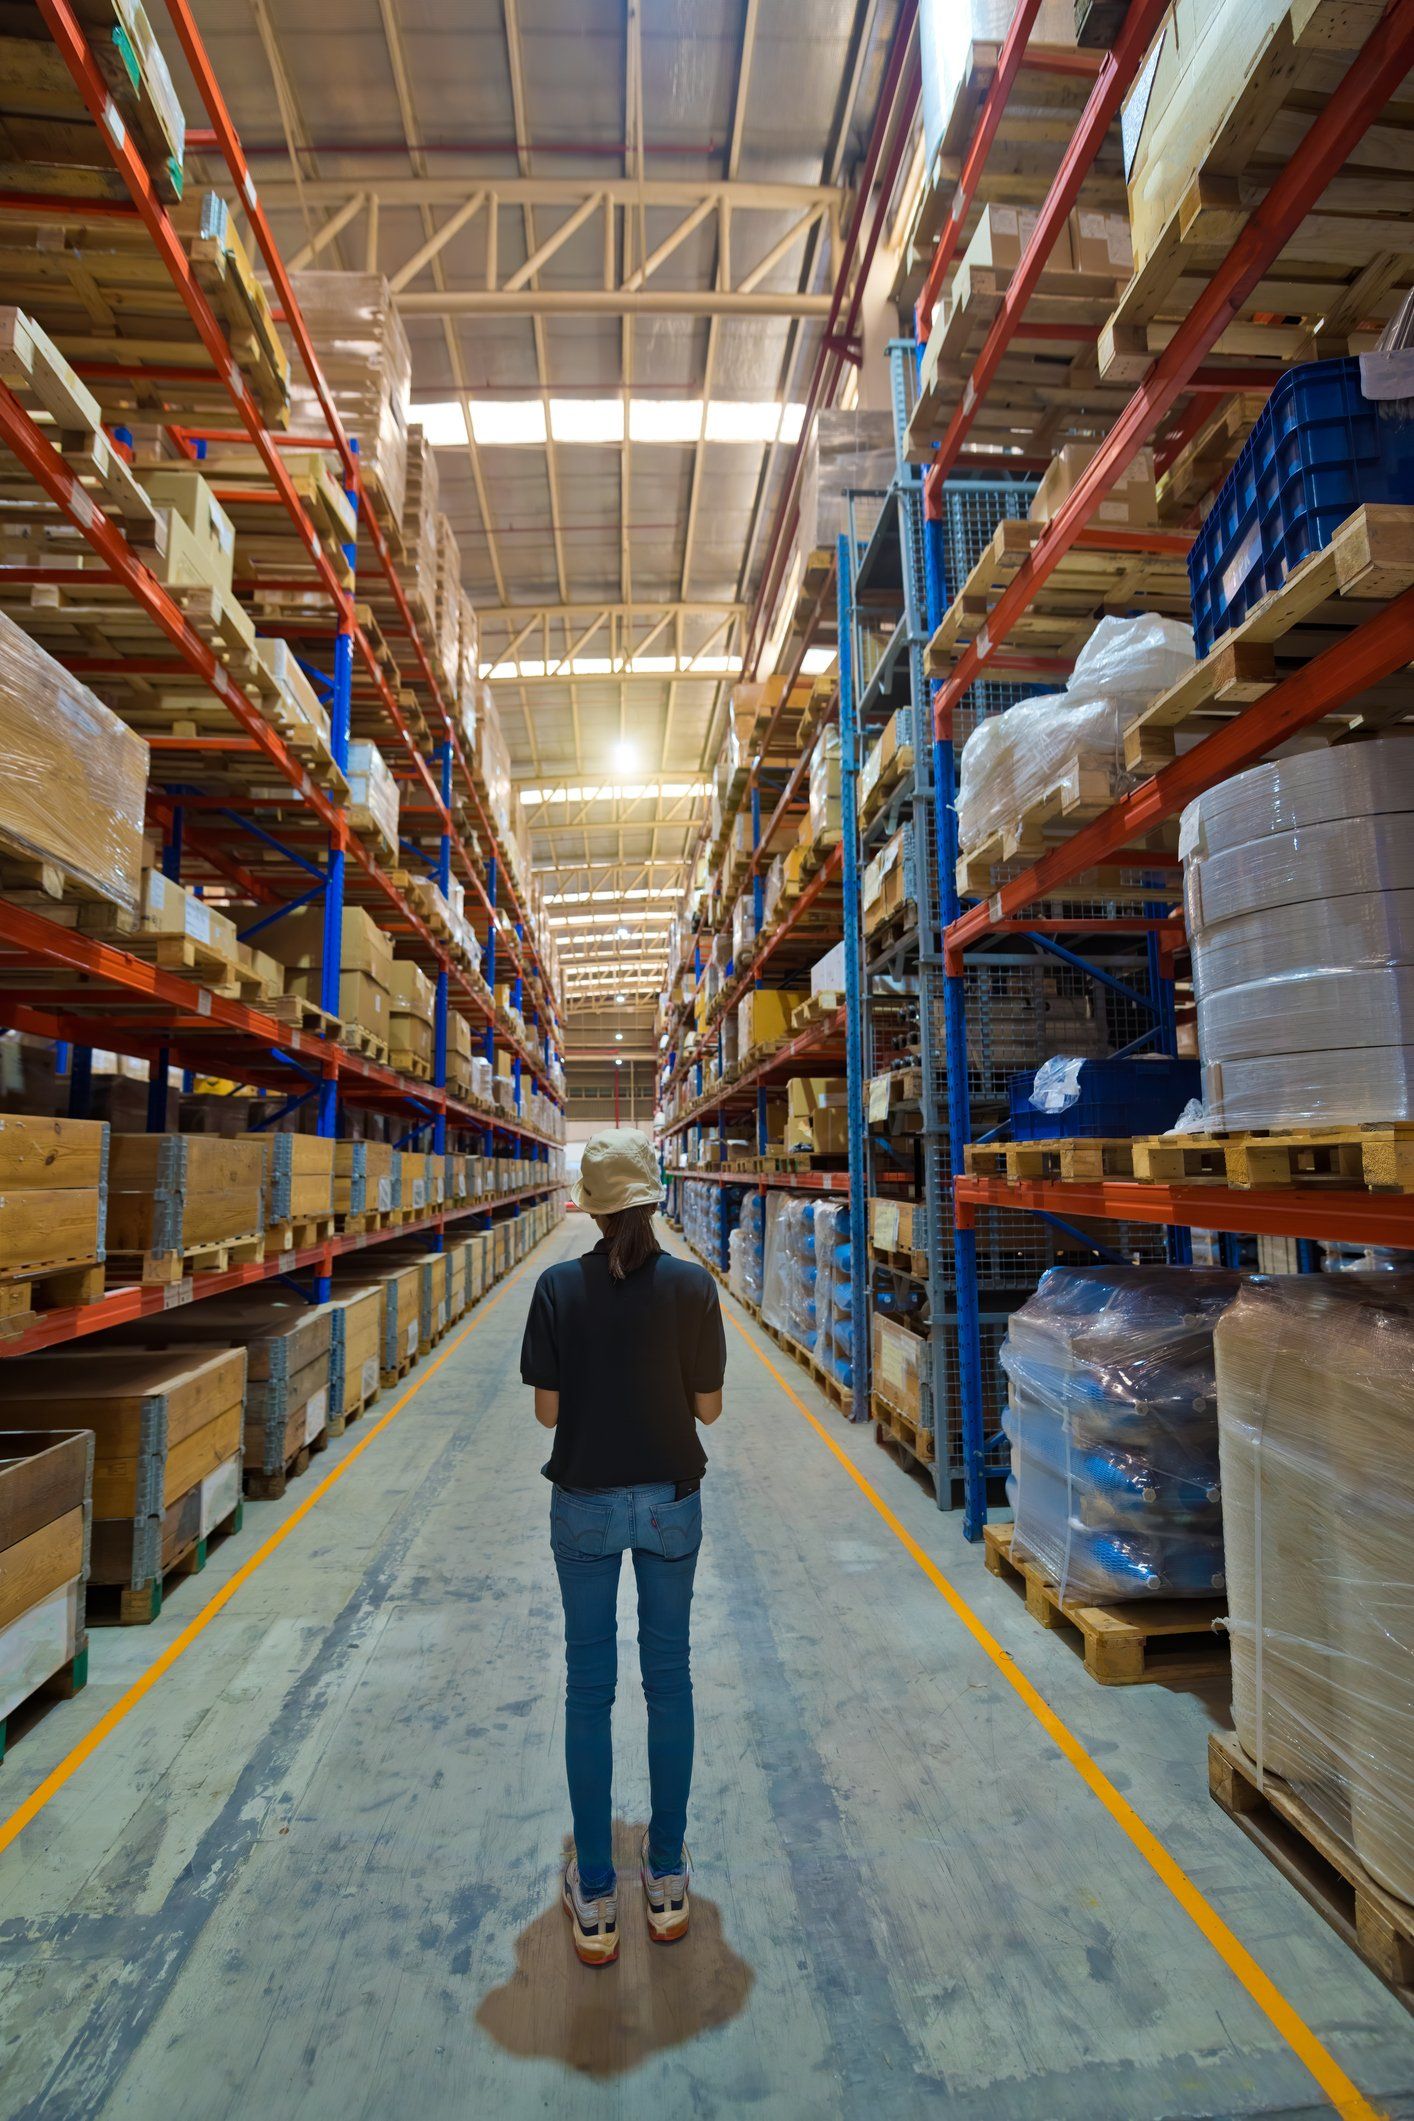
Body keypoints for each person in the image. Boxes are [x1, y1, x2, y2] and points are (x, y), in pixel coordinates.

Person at [520, 1128, 726, 1967]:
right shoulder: (692, 1286)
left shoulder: (556, 1288)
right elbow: (708, 1408)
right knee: (669, 1679)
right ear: (653, 1199)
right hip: (670, 1500)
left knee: (589, 1686)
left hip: (586, 1503)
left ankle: (599, 1893)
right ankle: (667, 1877)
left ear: (593, 1208)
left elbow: (547, 1413)